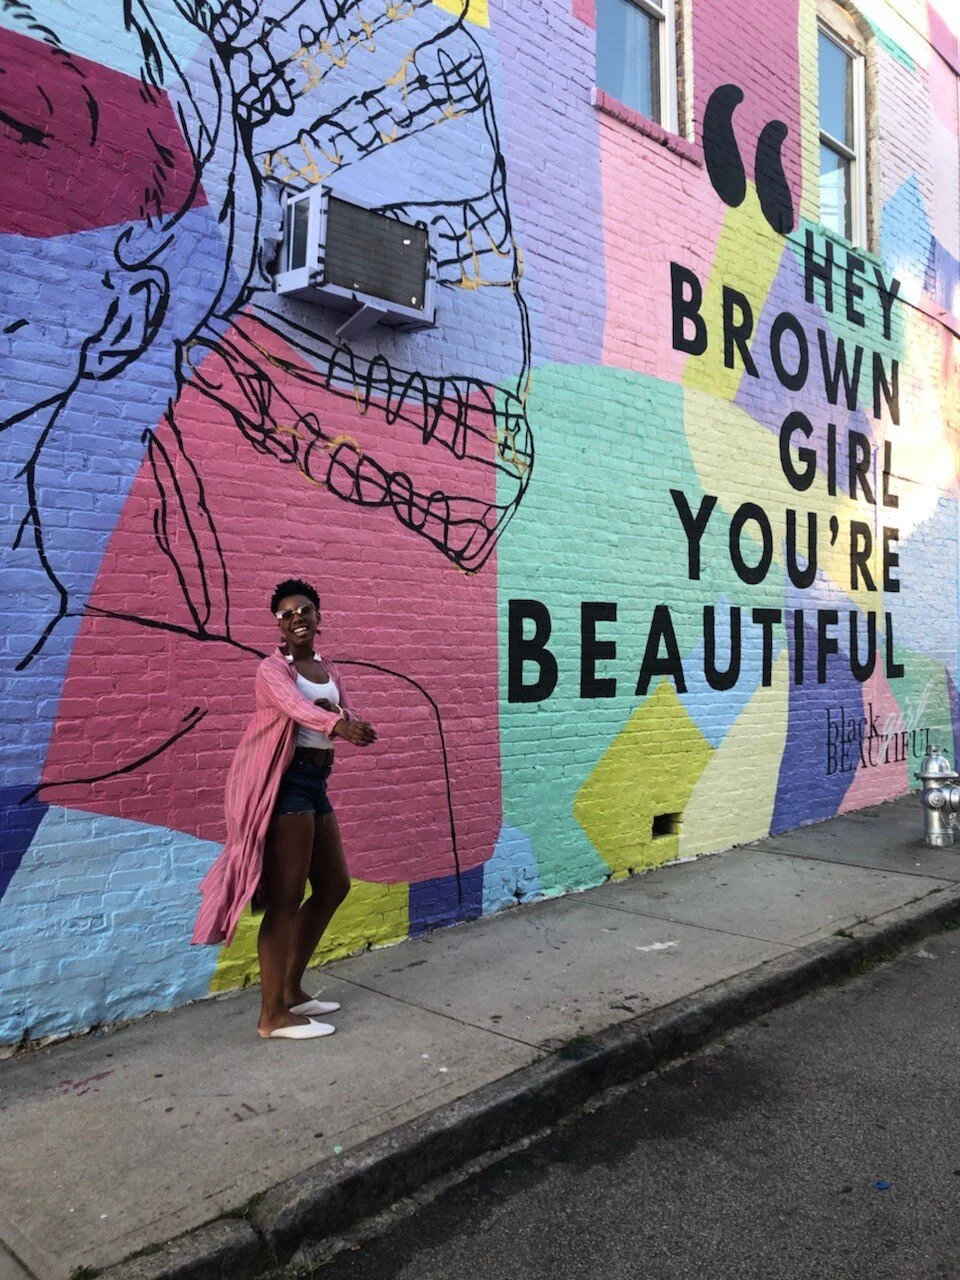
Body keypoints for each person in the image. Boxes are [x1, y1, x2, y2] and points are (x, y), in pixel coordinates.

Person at [192, 579, 377, 1039]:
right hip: (285, 784)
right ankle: (271, 1015)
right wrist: (337, 724)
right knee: (285, 900)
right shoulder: (271, 671)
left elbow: (344, 711)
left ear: (318, 616)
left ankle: (291, 990)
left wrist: (350, 721)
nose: (297, 618)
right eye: (287, 614)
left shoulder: (327, 668)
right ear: (278, 624)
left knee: (333, 885)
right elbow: (297, 709)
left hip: (316, 784)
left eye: (305, 610)